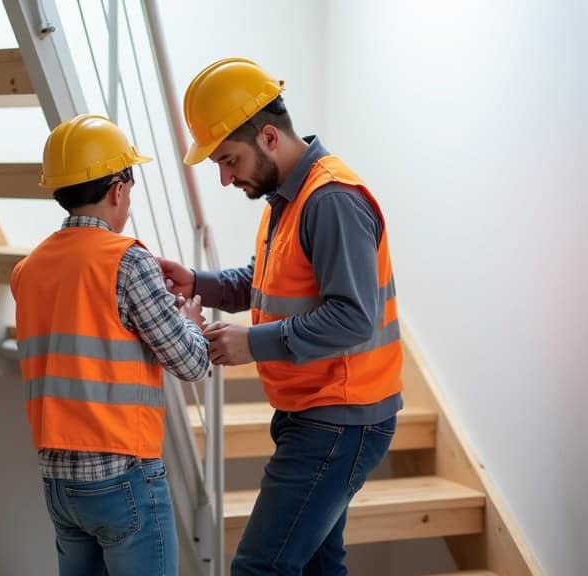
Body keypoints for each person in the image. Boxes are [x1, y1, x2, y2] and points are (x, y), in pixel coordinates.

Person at [158, 58, 404, 575]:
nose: (225, 179)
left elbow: (353, 318)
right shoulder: (287, 197)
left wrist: (253, 343)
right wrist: (197, 281)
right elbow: (264, 280)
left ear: (268, 136)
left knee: (258, 568)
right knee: (317, 565)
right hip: (313, 412)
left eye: (229, 160)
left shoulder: (331, 199)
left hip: (338, 416)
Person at [10, 113, 209, 576]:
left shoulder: (28, 270)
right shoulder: (126, 260)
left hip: (60, 484)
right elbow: (191, 361)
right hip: (124, 476)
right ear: (118, 189)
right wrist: (189, 321)